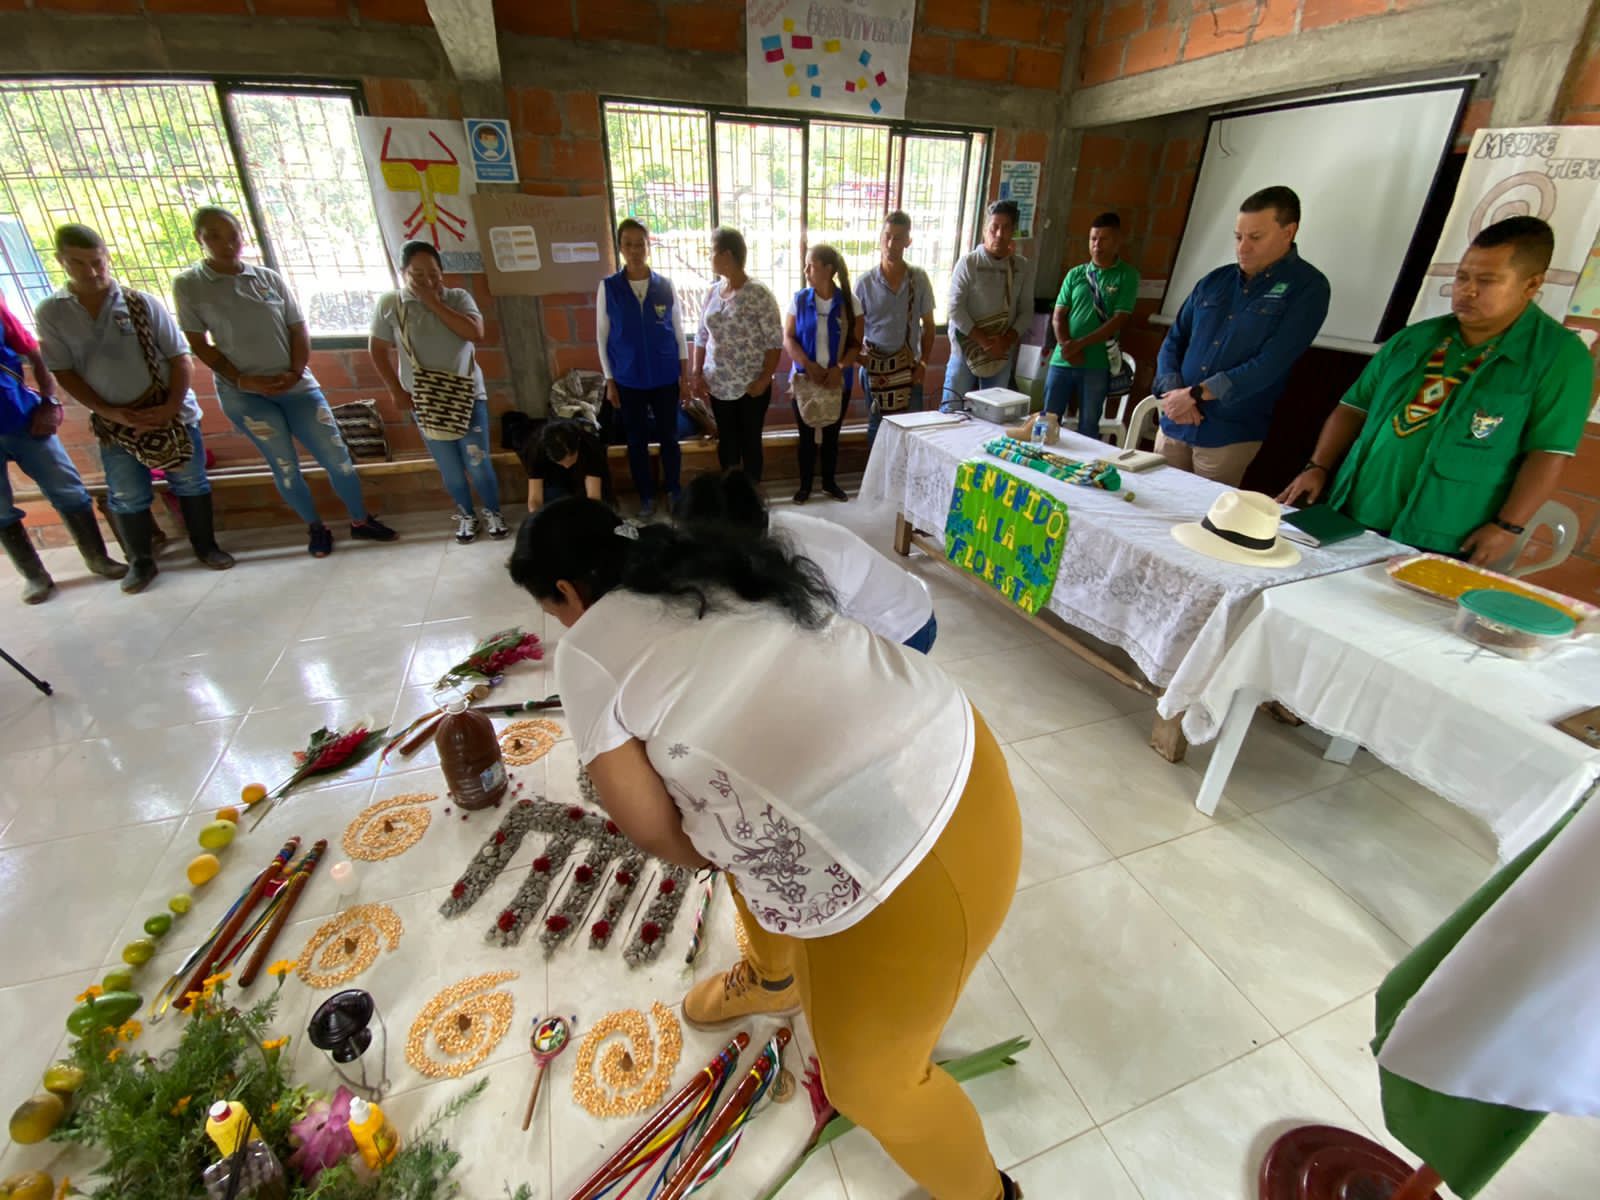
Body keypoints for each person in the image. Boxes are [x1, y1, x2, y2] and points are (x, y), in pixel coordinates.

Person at [509, 498, 1021, 1200]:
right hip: (957, 753)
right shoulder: (705, 556)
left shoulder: (588, 643)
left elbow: (650, 826)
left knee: (870, 1084)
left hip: (918, 855)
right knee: (735, 818)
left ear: (565, 592)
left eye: (554, 607)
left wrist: (719, 850)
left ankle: (990, 1195)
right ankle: (773, 977)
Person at [1278, 216, 1593, 565]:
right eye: (1462, 277)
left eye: (1486, 281)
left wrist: (1508, 527)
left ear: (1531, 285)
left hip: (1445, 531)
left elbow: (1548, 453)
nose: (1467, 291)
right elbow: (1353, 408)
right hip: (1353, 510)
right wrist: (1317, 466)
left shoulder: (1559, 357)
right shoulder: (1415, 338)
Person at [174, 206, 397, 557]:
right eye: (213, 236)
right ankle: (316, 528)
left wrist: (294, 372)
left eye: (232, 235)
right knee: (285, 465)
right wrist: (245, 380)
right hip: (246, 395)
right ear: (200, 240)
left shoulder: (267, 279)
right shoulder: (190, 285)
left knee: (337, 457)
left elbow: (297, 328)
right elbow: (199, 343)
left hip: (296, 386)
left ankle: (360, 521)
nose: (226, 244)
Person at [35, 225, 233, 595]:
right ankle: (141, 562)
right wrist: (113, 414)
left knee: (190, 481)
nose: (92, 272)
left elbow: (180, 359)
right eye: (79, 264)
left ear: (107, 256)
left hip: (170, 414)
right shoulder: (52, 312)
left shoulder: (141, 303)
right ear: (61, 261)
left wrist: (169, 407)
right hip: (117, 423)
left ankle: (207, 547)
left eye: (97, 262)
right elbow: (63, 372)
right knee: (126, 492)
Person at [1153, 185, 1330, 485]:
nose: (1243, 247)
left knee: (1202, 523)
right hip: (1174, 422)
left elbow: (1271, 363)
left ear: (1288, 232)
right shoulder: (1214, 281)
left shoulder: (1307, 288)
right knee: (1149, 514)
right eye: (1238, 237)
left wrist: (1196, 395)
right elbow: (1175, 340)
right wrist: (1174, 394)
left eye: (1255, 237)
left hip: (1227, 434)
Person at [678, 469, 937, 652]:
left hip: (906, 627)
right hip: (862, 611)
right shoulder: (758, 532)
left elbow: (820, 638)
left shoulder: (811, 555)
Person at [369, 240, 505, 544]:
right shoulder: (391, 304)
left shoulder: (457, 298)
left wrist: (432, 301)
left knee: (478, 463)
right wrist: (395, 390)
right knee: (451, 470)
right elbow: (377, 350)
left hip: (468, 395)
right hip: (426, 400)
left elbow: (475, 333)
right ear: (403, 273)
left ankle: (493, 512)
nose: (428, 281)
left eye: (434, 273)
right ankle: (466, 515)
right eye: (418, 275)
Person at [0, 292, 126, 603]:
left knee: (67, 489)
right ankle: (34, 576)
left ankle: (97, 558)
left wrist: (50, 401)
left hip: (24, 420)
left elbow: (33, 352)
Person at [598, 218, 689, 517]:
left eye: (640, 244)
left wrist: (684, 375)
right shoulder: (609, 288)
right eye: (628, 244)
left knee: (669, 438)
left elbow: (677, 331)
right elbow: (601, 336)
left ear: (649, 246)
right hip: (628, 379)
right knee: (636, 442)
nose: (635, 250)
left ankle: (674, 491)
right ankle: (647, 497)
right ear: (620, 247)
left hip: (664, 377)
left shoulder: (664, 286)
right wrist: (610, 380)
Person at [692, 227, 783, 482]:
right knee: (727, 445)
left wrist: (764, 379)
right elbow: (701, 335)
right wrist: (696, 372)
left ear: (727, 254)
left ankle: (752, 501)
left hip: (750, 387)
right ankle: (730, 501)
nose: (708, 256)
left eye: (711, 251)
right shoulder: (712, 291)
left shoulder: (758, 293)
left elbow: (774, 341)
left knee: (750, 444)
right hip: (718, 385)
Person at [1046, 212, 1139, 438]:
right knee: (1048, 421)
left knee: (1088, 425)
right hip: (1063, 358)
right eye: (1093, 238)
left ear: (1117, 242)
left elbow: (1119, 319)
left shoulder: (1127, 276)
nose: (1097, 244)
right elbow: (1058, 316)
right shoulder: (1076, 274)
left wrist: (1079, 345)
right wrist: (1066, 345)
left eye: (1104, 239)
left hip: (1096, 363)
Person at [942, 199, 1036, 413]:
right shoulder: (968, 263)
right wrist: (983, 341)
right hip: (965, 350)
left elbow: (1026, 311)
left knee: (992, 415)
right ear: (985, 230)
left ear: (1013, 231)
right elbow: (955, 309)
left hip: (1001, 352)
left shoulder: (1022, 267)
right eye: (994, 227)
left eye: (1006, 228)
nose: (999, 234)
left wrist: (1005, 341)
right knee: (951, 410)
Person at [783, 244, 859, 504]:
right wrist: (807, 364)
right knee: (806, 437)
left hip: (838, 381)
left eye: (811, 265)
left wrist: (840, 369)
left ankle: (829, 483)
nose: (806, 270)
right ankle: (805, 486)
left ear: (828, 270)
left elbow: (856, 344)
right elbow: (788, 338)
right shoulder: (799, 299)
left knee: (831, 436)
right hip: (805, 381)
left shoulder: (849, 302)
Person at [856, 211, 936, 447]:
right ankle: (876, 481)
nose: (891, 244)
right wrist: (862, 359)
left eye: (898, 238)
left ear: (908, 242)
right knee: (876, 426)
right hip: (875, 370)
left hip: (910, 369)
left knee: (910, 429)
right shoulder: (864, 283)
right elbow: (854, 329)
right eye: (887, 236)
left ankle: (903, 481)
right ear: (880, 237)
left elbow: (929, 327)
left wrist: (922, 365)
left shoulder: (918, 279)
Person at [520, 417, 611, 513]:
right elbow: (535, 499)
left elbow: (593, 498)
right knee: (555, 504)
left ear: (577, 445)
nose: (566, 465)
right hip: (553, 479)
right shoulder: (536, 450)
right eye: (560, 462)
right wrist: (538, 520)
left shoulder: (590, 447)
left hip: (581, 476)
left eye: (570, 458)